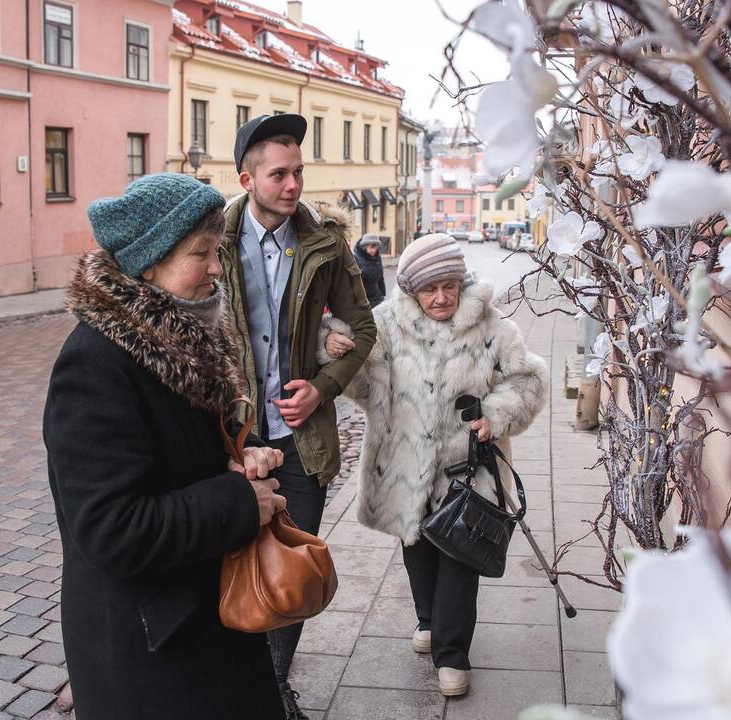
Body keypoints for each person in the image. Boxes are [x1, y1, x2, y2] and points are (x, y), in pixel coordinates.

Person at [43, 173, 289, 719]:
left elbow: (195, 447)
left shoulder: (187, 333)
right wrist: (238, 502)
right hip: (152, 647)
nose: (218, 268)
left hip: (206, 619)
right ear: (148, 264)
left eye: (217, 251)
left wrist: (244, 453)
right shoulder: (95, 365)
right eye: (199, 254)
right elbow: (112, 527)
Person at [320, 233, 547, 697]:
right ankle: (427, 618)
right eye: (429, 289)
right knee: (417, 545)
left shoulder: (492, 327)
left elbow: (527, 380)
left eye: (449, 285)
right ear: (409, 289)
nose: (441, 298)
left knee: (461, 555)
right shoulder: (384, 324)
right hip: (403, 461)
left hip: (469, 466)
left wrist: (495, 414)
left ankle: (452, 654)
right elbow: (365, 392)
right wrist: (341, 355)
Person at [221, 113, 376, 719]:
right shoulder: (214, 239)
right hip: (231, 439)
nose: (292, 186)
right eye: (279, 174)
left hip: (298, 438)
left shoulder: (324, 244)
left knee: (291, 571)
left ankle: (275, 687)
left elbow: (362, 329)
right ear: (247, 177)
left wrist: (321, 388)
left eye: (298, 172)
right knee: (228, 562)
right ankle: (238, 684)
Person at [353, 233, 387, 307]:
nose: (374, 250)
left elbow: (381, 279)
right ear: (364, 247)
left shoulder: (378, 258)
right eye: (371, 247)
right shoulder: (355, 259)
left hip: (377, 299)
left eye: (375, 247)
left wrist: (383, 295)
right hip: (363, 301)